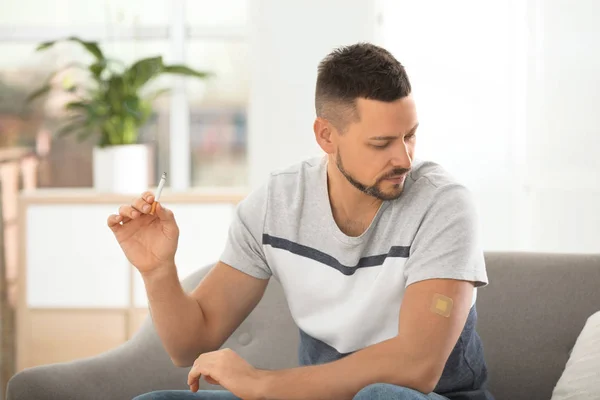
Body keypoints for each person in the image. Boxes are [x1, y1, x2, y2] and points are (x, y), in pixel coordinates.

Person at [108, 42, 494, 400]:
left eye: (410, 136)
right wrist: (158, 271)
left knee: (380, 396)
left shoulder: (443, 204)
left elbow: (417, 366)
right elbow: (189, 346)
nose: (404, 159)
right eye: (382, 143)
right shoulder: (278, 204)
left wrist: (263, 384)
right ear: (326, 135)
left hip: (429, 396)